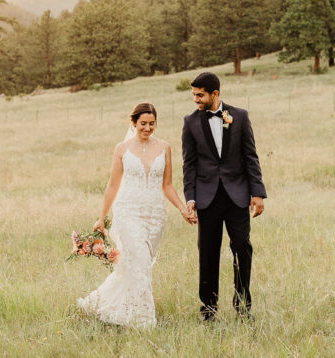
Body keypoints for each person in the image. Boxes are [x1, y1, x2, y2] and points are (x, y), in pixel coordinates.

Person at [78, 102, 195, 327]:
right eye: (143, 123)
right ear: (133, 123)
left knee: (139, 266)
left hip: (155, 216)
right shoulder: (121, 149)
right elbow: (113, 185)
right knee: (139, 261)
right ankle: (142, 320)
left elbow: (167, 185)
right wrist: (101, 217)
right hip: (128, 212)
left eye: (152, 124)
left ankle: (103, 303)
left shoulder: (165, 148)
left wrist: (182, 209)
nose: (148, 128)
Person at [182, 72, 267, 322]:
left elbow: (251, 156)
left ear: (215, 94)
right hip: (207, 198)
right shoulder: (190, 122)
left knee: (242, 248)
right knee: (207, 253)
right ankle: (208, 310)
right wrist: (190, 198)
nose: (196, 100)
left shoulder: (239, 116)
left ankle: (243, 306)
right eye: (194, 95)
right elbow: (189, 165)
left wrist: (258, 193)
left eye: (200, 95)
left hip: (237, 196)